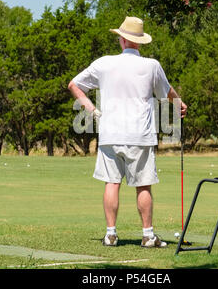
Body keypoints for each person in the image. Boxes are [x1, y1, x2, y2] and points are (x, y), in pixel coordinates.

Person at [68, 16, 187, 248]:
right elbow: (167, 92)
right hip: (140, 134)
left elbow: (74, 85)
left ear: (122, 40)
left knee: (112, 183)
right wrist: (179, 102)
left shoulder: (103, 63)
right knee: (143, 185)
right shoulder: (151, 65)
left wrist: (91, 109)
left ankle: (111, 234)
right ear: (139, 42)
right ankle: (148, 235)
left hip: (110, 134)